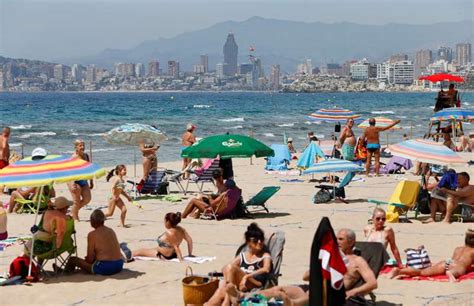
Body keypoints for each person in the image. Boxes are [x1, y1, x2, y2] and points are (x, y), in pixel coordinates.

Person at [206, 223, 272, 306]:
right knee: (221, 290)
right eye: (255, 240)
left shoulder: (264, 256)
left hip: (255, 284)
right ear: (248, 242)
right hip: (239, 286)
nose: (259, 242)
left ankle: (227, 300)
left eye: (261, 240)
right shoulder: (243, 256)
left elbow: (266, 269)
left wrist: (247, 276)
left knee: (230, 269)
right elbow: (225, 268)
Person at [390, 229, 474, 282]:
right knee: (459, 270)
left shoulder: (458, 248)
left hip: (447, 262)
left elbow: (454, 259)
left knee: (422, 272)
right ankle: (451, 274)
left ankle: (399, 271)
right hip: (457, 265)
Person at [64, 209, 124, 276]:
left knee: (73, 260)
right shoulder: (111, 230)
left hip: (106, 267)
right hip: (119, 264)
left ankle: (65, 273)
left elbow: (90, 259)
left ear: (93, 221)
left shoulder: (92, 234)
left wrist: (87, 260)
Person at [120, 212, 193, 262]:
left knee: (139, 252)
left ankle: (123, 257)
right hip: (170, 253)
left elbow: (176, 247)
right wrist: (190, 254)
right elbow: (189, 241)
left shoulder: (169, 232)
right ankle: (124, 255)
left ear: (168, 221)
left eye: (164, 220)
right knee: (145, 250)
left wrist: (181, 260)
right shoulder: (181, 229)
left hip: (164, 255)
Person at [337, 228, 377, 301]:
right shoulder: (331, 256)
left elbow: (372, 283)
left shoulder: (358, 261)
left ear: (351, 242)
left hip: (338, 295)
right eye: (336, 239)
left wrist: (353, 292)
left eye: (341, 239)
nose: (337, 242)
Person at [68, 139, 93, 221]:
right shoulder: (73, 157)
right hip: (73, 180)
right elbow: (70, 172)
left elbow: (89, 168)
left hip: (83, 179)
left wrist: (91, 181)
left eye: (83, 145)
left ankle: (72, 212)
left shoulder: (86, 156)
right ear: (76, 147)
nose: (82, 147)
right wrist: (72, 183)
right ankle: (75, 218)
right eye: (80, 145)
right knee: (76, 201)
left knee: (87, 199)